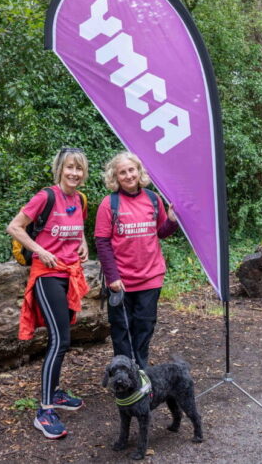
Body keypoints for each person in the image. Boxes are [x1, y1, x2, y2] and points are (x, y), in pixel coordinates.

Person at [7, 147, 90, 440]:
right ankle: (44, 411)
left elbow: (76, 229)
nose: (74, 173)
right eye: (69, 167)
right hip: (47, 274)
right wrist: (41, 251)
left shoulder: (79, 199)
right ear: (59, 169)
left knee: (63, 338)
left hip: (70, 274)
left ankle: (55, 393)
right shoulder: (46, 196)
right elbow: (15, 227)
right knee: (60, 339)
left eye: (79, 169)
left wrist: (84, 244)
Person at [95, 151, 178, 369]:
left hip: (151, 277)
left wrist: (171, 221)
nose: (129, 175)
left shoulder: (153, 199)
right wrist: (112, 277)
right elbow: (102, 242)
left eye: (132, 170)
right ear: (115, 177)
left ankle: (141, 373)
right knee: (121, 329)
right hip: (121, 281)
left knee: (144, 327)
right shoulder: (109, 203)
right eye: (122, 172)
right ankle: (123, 376)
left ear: (139, 171)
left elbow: (160, 232)